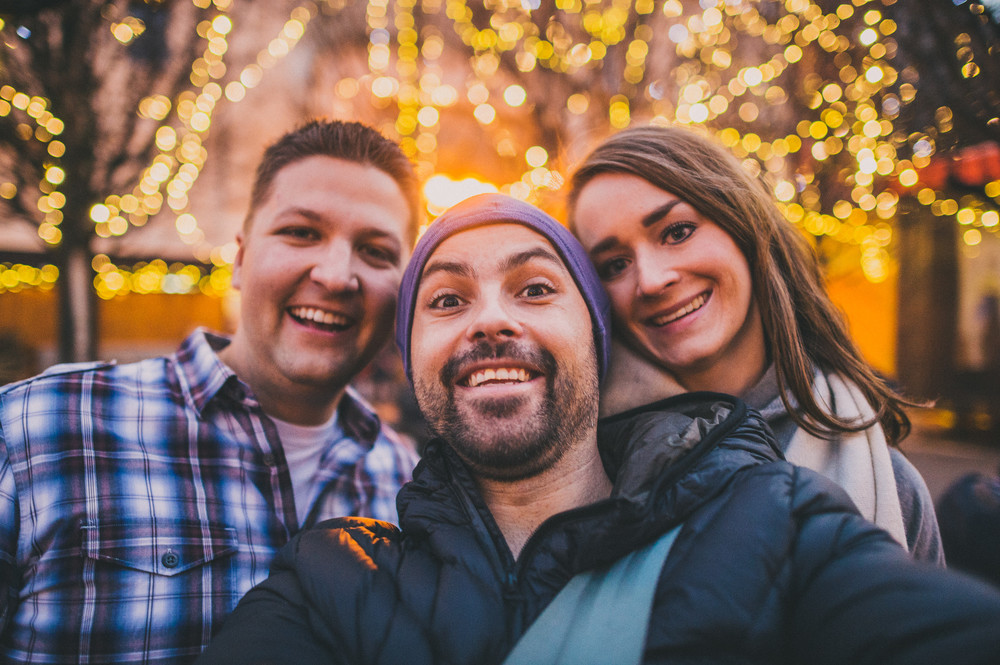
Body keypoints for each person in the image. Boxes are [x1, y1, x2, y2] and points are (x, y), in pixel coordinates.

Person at [196, 193, 1000, 665]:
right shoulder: (330, 580)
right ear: (413, 364)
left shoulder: (779, 526)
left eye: (536, 288)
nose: (491, 321)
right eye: (446, 300)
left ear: (597, 342)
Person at [0, 119, 421, 664]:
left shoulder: (407, 486)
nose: (337, 275)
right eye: (301, 232)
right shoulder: (35, 428)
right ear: (241, 258)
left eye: (376, 251)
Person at [568, 124, 943, 563]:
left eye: (677, 231)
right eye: (614, 264)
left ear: (743, 225)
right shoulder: (581, 471)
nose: (651, 280)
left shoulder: (892, 487)